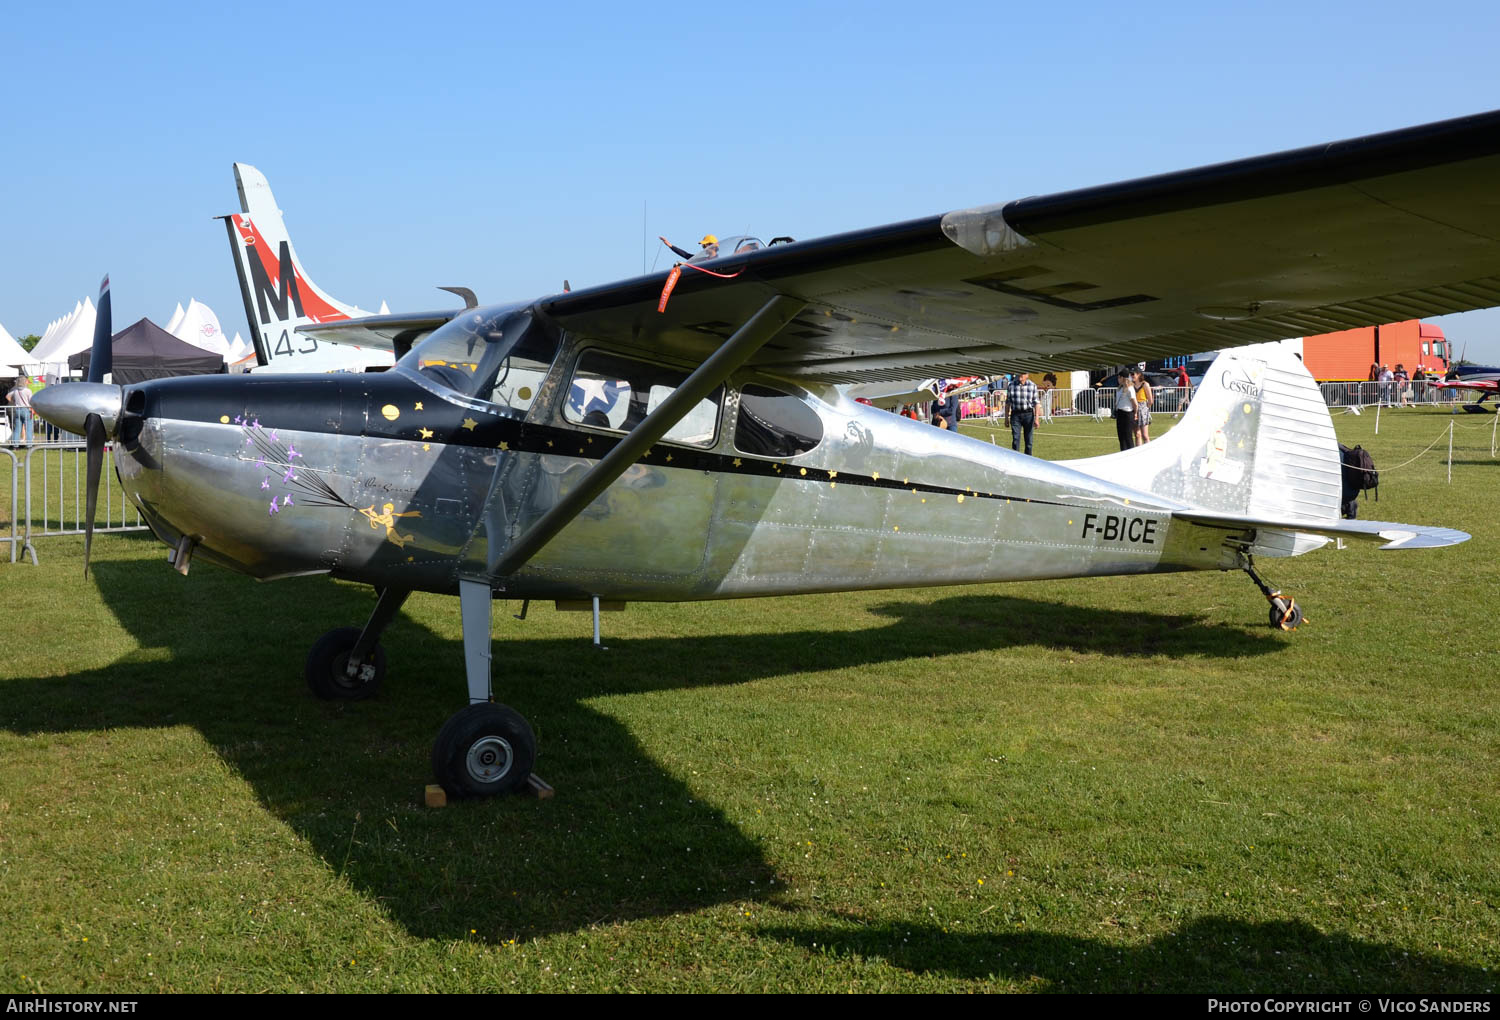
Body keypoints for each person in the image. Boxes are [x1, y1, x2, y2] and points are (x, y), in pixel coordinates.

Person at [1006, 371, 1040, 455]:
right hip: (1015, 415)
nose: (1020, 375)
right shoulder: (1011, 385)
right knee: (1015, 439)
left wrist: (1036, 419)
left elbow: (1036, 403)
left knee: (1029, 441)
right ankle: (1016, 459)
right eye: (1019, 373)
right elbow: (1008, 403)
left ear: (1027, 375)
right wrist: (1006, 418)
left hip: (1028, 414)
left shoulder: (1032, 386)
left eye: (1023, 373)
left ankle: (1028, 460)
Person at [1112, 370, 1137, 450]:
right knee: (1121, 437)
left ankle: (1131, 454)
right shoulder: (1119, 389)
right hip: (1120, 413)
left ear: (1123, 378)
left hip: (1128, 414)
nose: (1118, 379)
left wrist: (1135, 413)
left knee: (1128, 437)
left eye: (1119, 377)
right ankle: (1123, 452)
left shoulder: (1130, 389)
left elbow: (1134, 403)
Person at [6, 374, 34, 444]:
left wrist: (14, 401)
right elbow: (31, 401)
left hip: (17, 410)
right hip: (26, 410)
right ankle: (29, 445)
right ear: (25, 382)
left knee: (17, 429)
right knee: (28, 429)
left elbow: (7, 396)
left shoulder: (15, 391)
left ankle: (15, 445)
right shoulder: (28, 391)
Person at [1133, 370, 1154, 445]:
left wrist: (1145, 408)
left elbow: (1150, 400)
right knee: (1137, 435)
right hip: (1134, 409)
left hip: (1143, 409)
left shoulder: (1145, 384)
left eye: (1133, 374)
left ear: (1138, 374)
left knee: (1145, 435)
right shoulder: (1131, 385)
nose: (1132, 376)